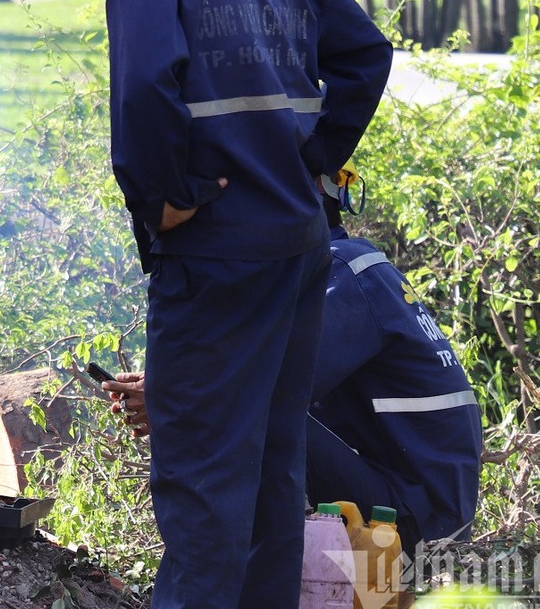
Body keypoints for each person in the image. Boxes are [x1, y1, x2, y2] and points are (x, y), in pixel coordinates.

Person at [84, 0, 394, 609]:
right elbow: (366, 55)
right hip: (297, 248)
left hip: (212, 257)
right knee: (269, 478)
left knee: (200, 490)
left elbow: (144, 91)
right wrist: (313, 158)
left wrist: (165, 197)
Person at [103, 185, 484, 548]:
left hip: (414, 521)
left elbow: (265, 386)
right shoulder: (351, 267)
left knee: (252, 414)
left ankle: (245, 580)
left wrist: (174, 400)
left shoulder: (341, 271)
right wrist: (173, 394)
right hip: (417, 505)